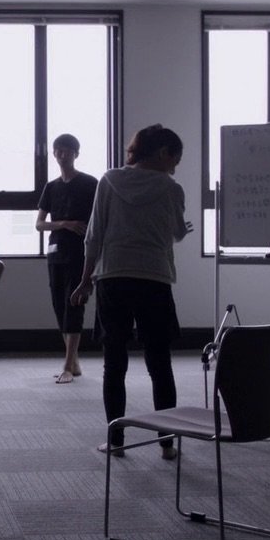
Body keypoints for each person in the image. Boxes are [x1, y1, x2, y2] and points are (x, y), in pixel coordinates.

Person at [71, 124, 191, 459]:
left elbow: (93, 235)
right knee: (159, 362)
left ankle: (116, 440)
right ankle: (167, 443)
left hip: (113, 276)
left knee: (115, 362)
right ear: (163, 152)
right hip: (154, 278)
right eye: (175, 158)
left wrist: (85, 279)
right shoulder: (171, 188)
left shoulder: (109, 180)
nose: (175, 166)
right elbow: (178, 233)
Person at [35, 133, 98, 384]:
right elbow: (40, 225)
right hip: (56, 253)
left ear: (76, 154)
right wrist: (65, 224)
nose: (62, 155)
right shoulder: (51, 187)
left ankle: (68, 364)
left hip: (81, 253)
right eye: (58, 151)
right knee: (58, 304)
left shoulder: (90, 183)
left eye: (67, 151)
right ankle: (73, 361)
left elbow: (99, 219)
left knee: (74, 303)